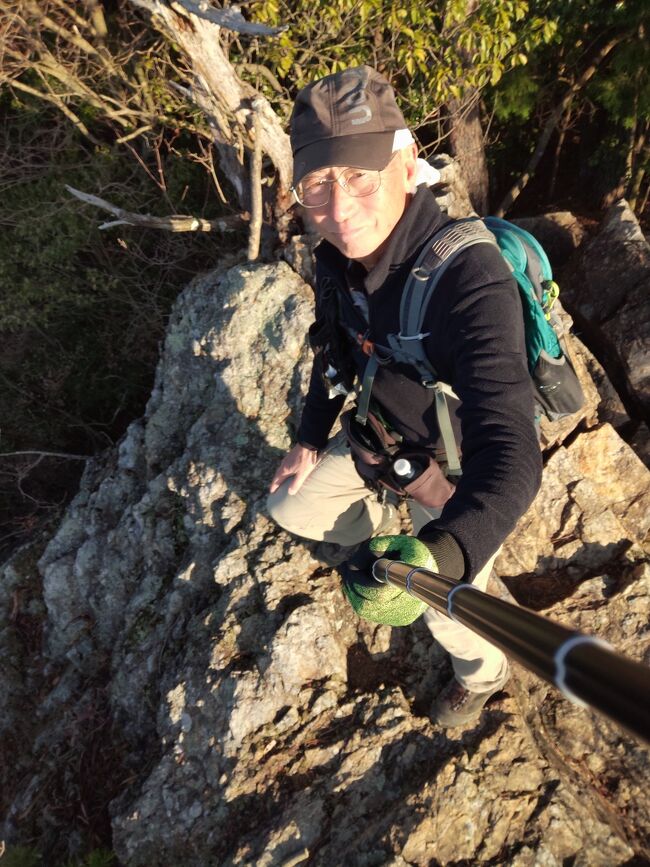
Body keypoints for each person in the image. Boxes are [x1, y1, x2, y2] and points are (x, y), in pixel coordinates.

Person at [267, 65, 543, 728]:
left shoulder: (468, 278)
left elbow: (512, 450)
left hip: (447, 471)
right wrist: (309, 439)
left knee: (442, 605)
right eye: (317, 185)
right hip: (380, 444)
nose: (339, 207)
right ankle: (381, 537)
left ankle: (485, 670)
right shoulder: (337, 258)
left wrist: (443, 551)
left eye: (360, 176)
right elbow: (334, 350)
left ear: (406, 159)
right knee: (290, 505)